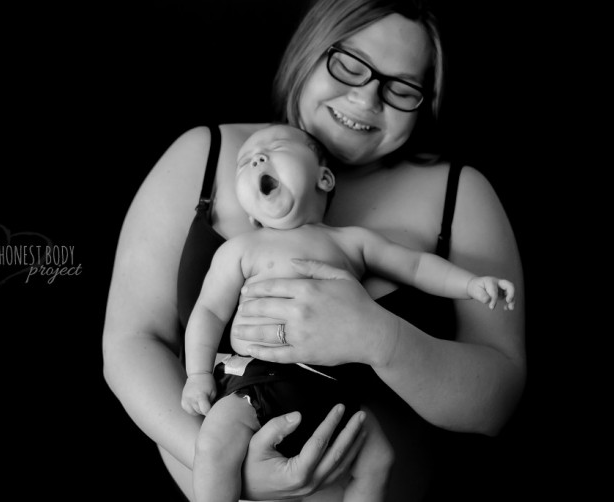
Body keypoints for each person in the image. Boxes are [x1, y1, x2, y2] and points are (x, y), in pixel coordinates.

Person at [102, 0, 526, 500]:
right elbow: (130, 343)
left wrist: (383, 340)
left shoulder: (461, 195)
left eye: (402, 87)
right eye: (349, 63)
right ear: (310, 51)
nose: (367, 99)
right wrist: (220, 461)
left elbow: (497, 403)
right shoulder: (207, 154)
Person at [181, 123, 515, 502]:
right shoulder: (241, 249)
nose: (258, 158)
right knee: (214, 443)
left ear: (323, 177)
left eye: (276, 148)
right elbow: (207, 311)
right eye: (245, 162)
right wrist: (197, 373)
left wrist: (470, 285)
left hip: (336, 387)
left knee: (378, 461)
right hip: (262, 380)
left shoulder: (351, 241)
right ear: (248, 208)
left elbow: (417, 267)